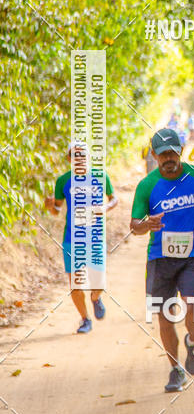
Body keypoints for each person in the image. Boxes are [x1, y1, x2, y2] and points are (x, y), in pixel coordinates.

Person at [130, 127, 194, 392]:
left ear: (181, 151)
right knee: (165, 316)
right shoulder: (147, 186)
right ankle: (175, 369)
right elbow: (134, 225)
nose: (168, 158)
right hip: (160, 258)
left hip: (193, 255)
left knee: (193, 307)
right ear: (154, 156)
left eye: (172, 152)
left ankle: (192, 342)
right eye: (162, 154)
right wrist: (147, 224)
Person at [45, 143, 118, 333]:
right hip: (72, 239)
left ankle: (95, 298)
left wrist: (105, 208)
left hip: (95, 238)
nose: (79, 158)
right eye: (75, 155)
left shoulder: (101, 176)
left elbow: (114, 198)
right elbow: (56, 210)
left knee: (98, 283)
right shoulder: (63, 181)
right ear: (69, 159)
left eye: (83, 155)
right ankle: (85, 319)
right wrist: (49, 206)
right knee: (76, 284)